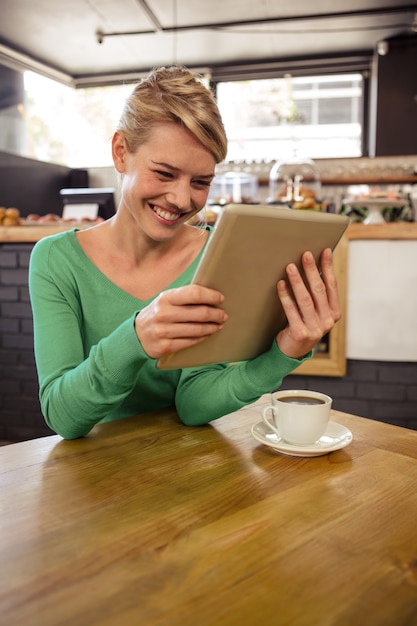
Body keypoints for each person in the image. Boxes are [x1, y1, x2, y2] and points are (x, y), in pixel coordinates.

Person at [29, 65, 341, 440]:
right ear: (120, 152)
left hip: (188, 467)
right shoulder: (56, 260)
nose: (181, 200)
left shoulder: (216, 253)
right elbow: (62, 416)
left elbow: (194, 404)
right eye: (163, 173)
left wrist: (285, 351)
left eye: (200, 182)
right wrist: (136, 339)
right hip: (90, 477)